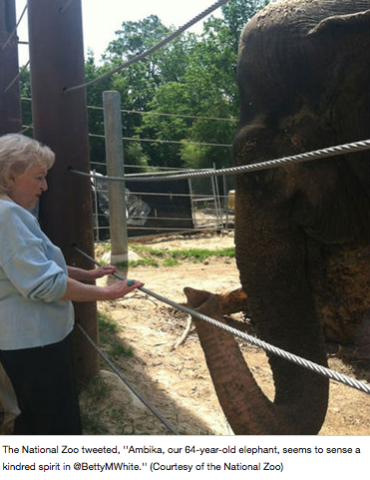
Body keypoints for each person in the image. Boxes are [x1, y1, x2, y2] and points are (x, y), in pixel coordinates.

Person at [0, 133, 144, 435]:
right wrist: (107, 293)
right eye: (39, 177)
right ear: (11, 174)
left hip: (21, 340)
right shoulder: (8, 216)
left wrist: (86, 275)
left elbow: (31, 265)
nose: (45, 186)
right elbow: (43, 284)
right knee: (51, 424)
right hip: (34, 343)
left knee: (34, 417)